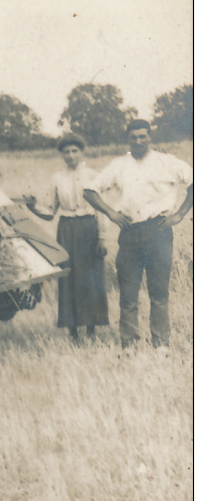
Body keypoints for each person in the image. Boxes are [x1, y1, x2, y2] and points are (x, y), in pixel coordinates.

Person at [83, 119, 193, 352]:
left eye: (143, 136)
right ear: (128, 139)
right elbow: (89, 191)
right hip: (130, 232)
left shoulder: (166, 162)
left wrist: (180, 214)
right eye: (134, 137)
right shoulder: (119, 165)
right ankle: (129, 344)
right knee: (128, 292)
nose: (139, 141)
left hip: (159, 230)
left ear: (150, 137)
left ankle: (161, 343)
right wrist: (112, 213)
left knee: (159, 292)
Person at [26, 134, 108, 341]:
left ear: (82, 152)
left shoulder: (93, 175)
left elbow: (101, 210)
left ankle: (91, 330)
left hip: (89, 227)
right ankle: (72, 331)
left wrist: (102, 237)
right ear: (61, 154)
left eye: (74, 151)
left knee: (90, 278)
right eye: (66, 152)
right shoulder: (57, 178)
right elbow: (50, 211)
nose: (71, 156)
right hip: (67, 231)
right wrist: (32, 207)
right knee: (69, 278)